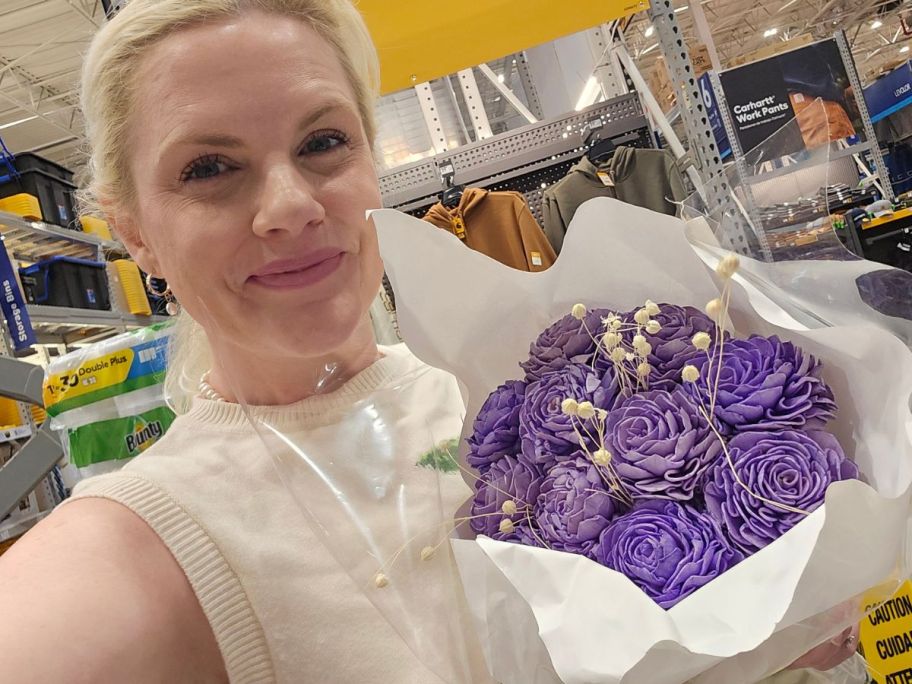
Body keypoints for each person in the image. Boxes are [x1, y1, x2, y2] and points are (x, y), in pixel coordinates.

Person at [0, 1, 860, 682]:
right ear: (135, 234)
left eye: (324, 142)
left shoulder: (531, 401)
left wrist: (780, 631)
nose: (291, 205)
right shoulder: (140, 542)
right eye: (209, 169)